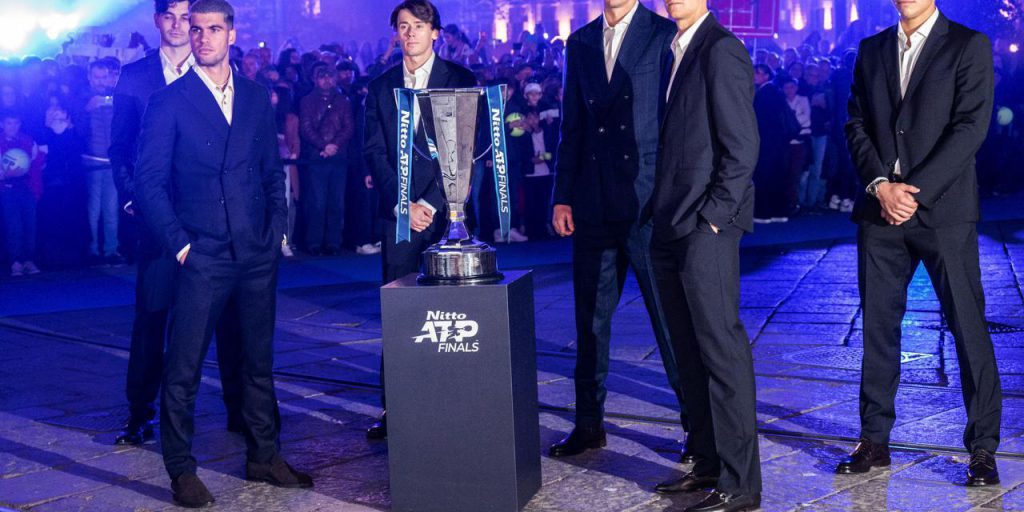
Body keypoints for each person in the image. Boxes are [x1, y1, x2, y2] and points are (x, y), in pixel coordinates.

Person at [135, 1, 311, 506]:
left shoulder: (257, 97)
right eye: (196, 29)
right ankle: (180, 468)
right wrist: (182, 245)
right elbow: (148, 183)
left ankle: (263, 454)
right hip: (202, 253)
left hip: (255, 251)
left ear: (232, 34)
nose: (203, 37)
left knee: (258, 362)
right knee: (184, 366)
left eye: (214, 29)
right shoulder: (169, 102)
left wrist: (276, 229)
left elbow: (270, 169)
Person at [836, 0, 1001, 487]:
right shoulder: (872, 49)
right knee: (878, 329)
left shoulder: (968, 45)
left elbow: (970, 127)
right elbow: (856, 123)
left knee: (968, 327)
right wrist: (880, 186)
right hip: (880, 210)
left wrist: (915, 191)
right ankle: (874, 438)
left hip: (944, 213)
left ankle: (984, 447)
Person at [548, 0, 691, 464]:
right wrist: (562, 194)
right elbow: (572, 126)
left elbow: (677, 119)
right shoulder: (581, 40)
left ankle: (698, 426)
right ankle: (589, 423)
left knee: (669, 319)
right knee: (589, 320)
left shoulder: (661, 33)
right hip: (591, 201)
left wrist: (676, 192)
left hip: (647, 200)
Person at [109, 0, 246, 446]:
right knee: (152, 314)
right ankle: (140, 412)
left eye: (187, 17)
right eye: (169, 16)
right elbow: (120, 147)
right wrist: (135, 199)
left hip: (212, 217)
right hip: (157, 220)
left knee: (228, 317)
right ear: (157, 21)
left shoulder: (220, 70)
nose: (178, 25)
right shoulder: (135, 77)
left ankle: (238, 409)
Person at [649, 0, 761, 509]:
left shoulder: (721, 49)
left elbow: (742, 147)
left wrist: (713, 218)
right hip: (670, 224)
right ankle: (708, 465)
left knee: (721, 352)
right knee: (689, 354)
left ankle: (741, 485)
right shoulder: (675, 49)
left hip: (705, 228)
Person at [362, 0, 477, 439]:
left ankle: (457, 398)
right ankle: (397, 408)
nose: (409, 33)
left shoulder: (461, 80)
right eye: (402, 26)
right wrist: (403, 204)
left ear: (435, 33)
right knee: (400, 312)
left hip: (450, 212)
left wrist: (431, 201)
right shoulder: (380, 87)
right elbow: (374, 151)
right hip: (399, 218)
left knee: (454, 314)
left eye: (418, 25)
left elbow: (466, 146)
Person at [298, 62, 353, 255]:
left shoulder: (343, 101)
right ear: (315, 78)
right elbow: (306, 129)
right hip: (316, 157)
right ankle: (314, 243)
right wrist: (324, 146)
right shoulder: (307, 101)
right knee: (317, 202)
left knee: (336, 202)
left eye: (329, 75)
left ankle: (333, 242)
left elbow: (348, 127)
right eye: (322, 76)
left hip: (338, 158)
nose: (326, 79)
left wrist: (334, 146)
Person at [76, 59, 123, 265]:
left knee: (111, 209)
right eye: (97, 77)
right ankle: (92, 249)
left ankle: (111, 249)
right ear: (89, 77)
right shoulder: (81, 98)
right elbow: (74, 129)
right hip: (91, 161)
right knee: (92, 210)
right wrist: (85, 109)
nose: (101, 81)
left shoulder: (117, 96)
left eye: (104, 77)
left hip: (111, 160)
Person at [1, 109, 45, 277]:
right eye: (9, 123)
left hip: (27, 188)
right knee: (14, 226)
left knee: (30, 225)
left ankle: (28, 260)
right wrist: (5, 174)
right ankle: (15, 262)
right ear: (2, 124)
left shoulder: (27, 141)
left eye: (16, 123)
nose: (13, 127)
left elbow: (37, 163)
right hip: (6, 189)